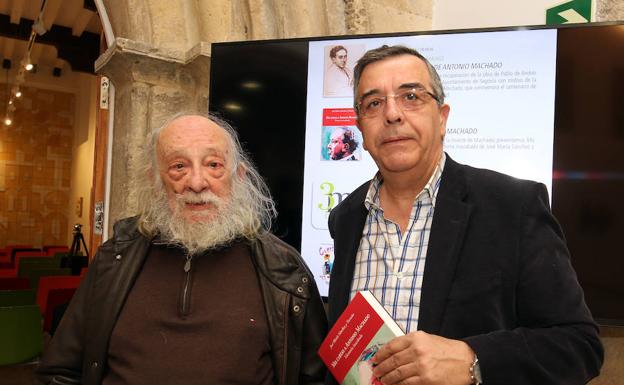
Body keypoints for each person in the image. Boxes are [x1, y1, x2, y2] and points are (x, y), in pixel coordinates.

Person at [326, 45, 603, 385]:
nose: (392, 114)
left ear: (442, 118)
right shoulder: (347, 219)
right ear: (360, 129)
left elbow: (579, 345)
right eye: (373, 103)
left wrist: (474, 360)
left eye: (411, 96)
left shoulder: (513, 205)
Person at [37, 112, 328, 385]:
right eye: (179, 166)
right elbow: (61, 371)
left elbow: (313, 379)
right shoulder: (113, 259)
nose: (197, 183)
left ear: (238, 177)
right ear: (155, 180)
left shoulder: (285, 269)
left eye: (213, 165)